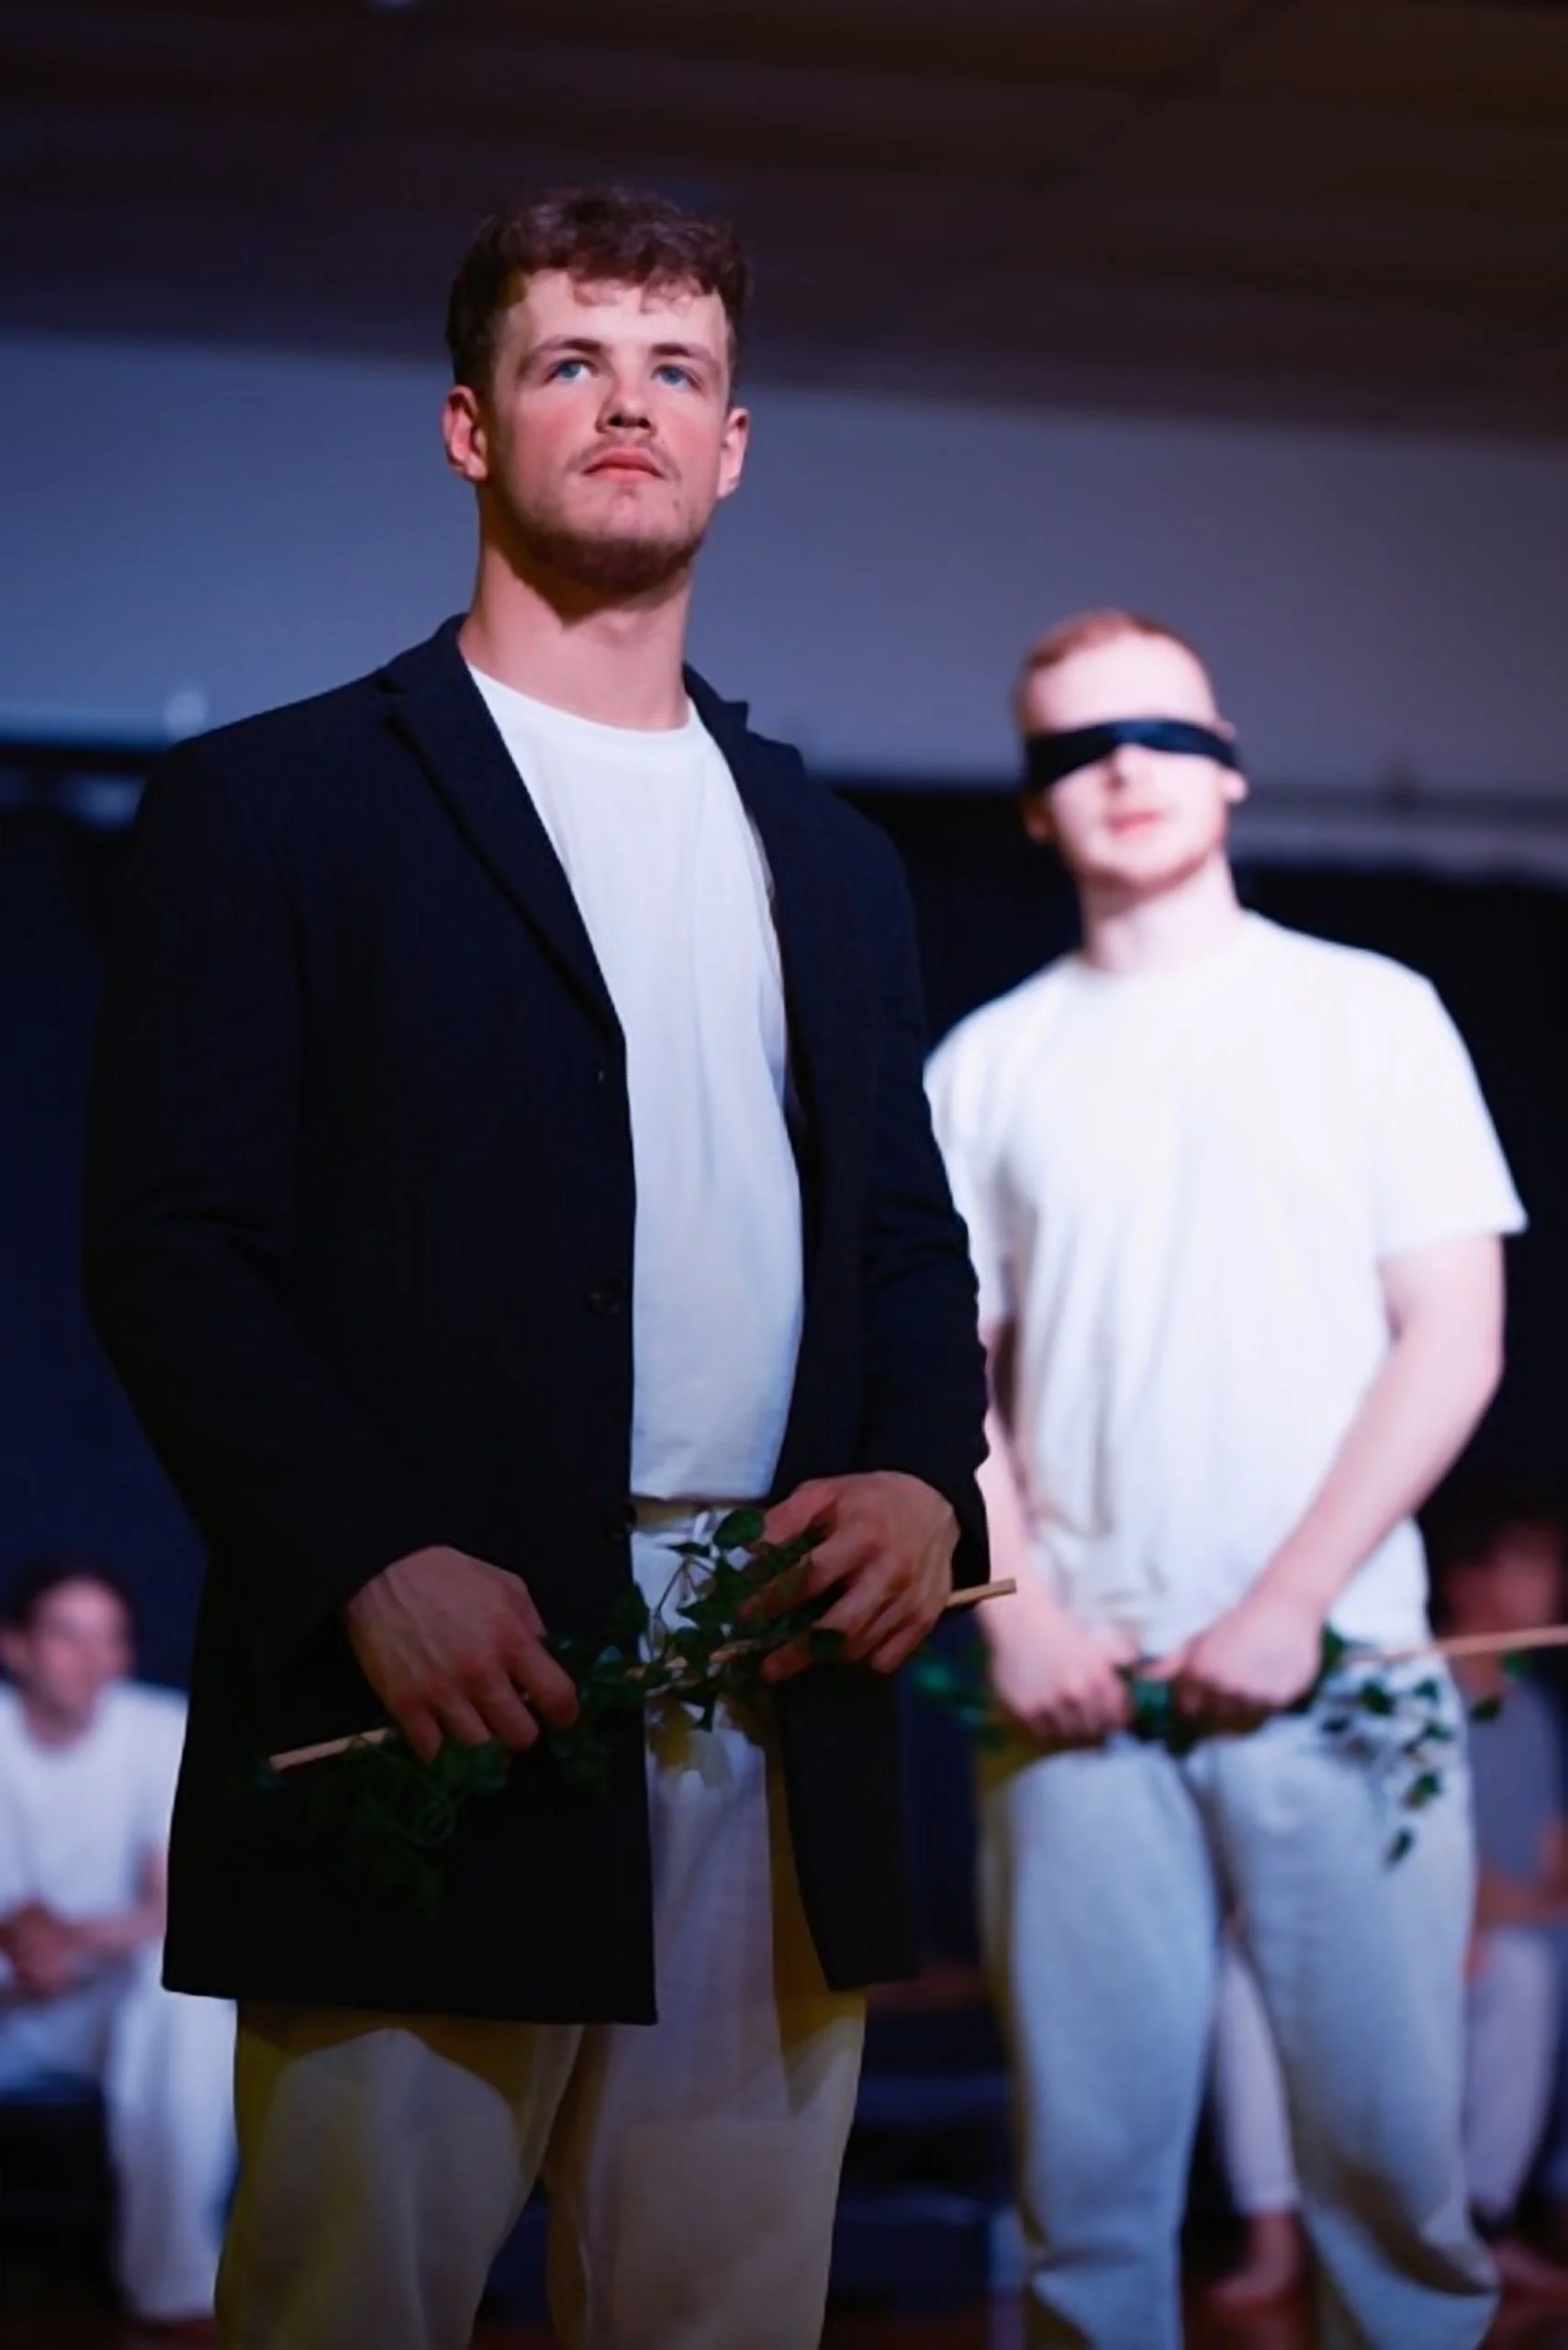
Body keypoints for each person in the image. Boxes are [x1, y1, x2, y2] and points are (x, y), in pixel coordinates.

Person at [82, 185, 988, 2350]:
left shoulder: (834, 858)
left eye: (676, 369)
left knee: (724, 2312)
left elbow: (904, 1242)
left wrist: (924, 1479)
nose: (629, 406)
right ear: (473, 427)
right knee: (347, 2302)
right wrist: (367, 1551)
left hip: (778, 1703)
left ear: (734, 444)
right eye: (572, 360)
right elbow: (172, 1243)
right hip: (442, 1687)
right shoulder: (279, 802)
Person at [925, 606, 1524, 2349]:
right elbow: (942, 1379)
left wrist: (1282, 1608)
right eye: (1074, 748)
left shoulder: (1368, 1016)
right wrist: (1018, 1616)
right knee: (1087, 2200)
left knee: (1391, 2187)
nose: (1124, 767)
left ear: (1229, 773)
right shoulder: (986, 1064)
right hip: (1071, 1701)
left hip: (1338, 1676)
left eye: (1164, 736)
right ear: (1035, 807)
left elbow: (1450, 1336)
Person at [1210, 1497, 1568, 2309]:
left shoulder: (1531, 1711)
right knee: (1246, 1973)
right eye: (1528, 1560)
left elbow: (1553, 1865)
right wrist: (1464, 1905)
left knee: (1523, 1971)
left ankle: (1483, 2218)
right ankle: (1277, 2236)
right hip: (1375, 1924)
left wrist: (1492, 1908)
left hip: (1483, 1940)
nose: (1551, 1583)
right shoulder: (1397, 1684)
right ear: (1466, 1579)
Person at [0, 1558, 234, 2341]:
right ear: (17, 1646)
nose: (90, 1657)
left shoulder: (158, 1728)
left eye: (109, 1637)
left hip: (100, 2005)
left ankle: (173, 2289)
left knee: (184, 1999)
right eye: (67, 1635)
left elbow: (169, 1909)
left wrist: (60, 1935)